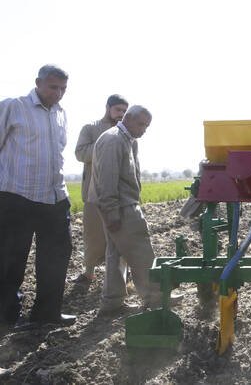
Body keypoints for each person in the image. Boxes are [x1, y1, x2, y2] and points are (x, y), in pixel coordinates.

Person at [0, 64, 76, 329]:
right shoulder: (13, 107)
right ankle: (7, 318)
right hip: (16, 196)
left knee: (57, 255)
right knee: (10, 259)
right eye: (53, 87)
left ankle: (47, 313)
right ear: (38, 83)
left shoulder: (61, 114)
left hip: (54, 197)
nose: (58, 93)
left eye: (63, 89)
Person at [89, 105, 172, 314]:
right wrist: (113, 213)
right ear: (128, 119)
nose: (144, 129)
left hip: (119, 205)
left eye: (147, 126)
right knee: (140, 249)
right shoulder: (113, 140)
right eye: (141, 124)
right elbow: (107, 180)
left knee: (116, 254)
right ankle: (155, 297)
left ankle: (112, 301)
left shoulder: (125, 140)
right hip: (121, 206)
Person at [72, 94, 129, 284]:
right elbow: (80, 153)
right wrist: (104, 147)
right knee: (93, 234)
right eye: (117, 110)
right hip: (93, 191)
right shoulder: (90, 128)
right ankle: (89, 271)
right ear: (108, 107)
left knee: (121, 235)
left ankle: (121, 277)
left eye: (124, 111)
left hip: (119, 193)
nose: (121, 114)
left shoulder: (126, 132)